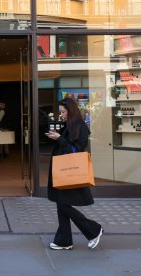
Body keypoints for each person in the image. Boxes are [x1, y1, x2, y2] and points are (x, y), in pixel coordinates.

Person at [46, 97, 103, 250]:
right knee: (61, 204)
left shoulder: (80, 127)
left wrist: (60, 139)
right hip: (63, 171)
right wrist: (58, 138)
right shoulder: (69, 125)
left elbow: (75, 150)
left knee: (63, 205)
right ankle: (64, 240)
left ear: (70, 111)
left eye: (63, 112)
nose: (61, 115)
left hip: (69, 171)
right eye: (60, 112)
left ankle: (94, 230)